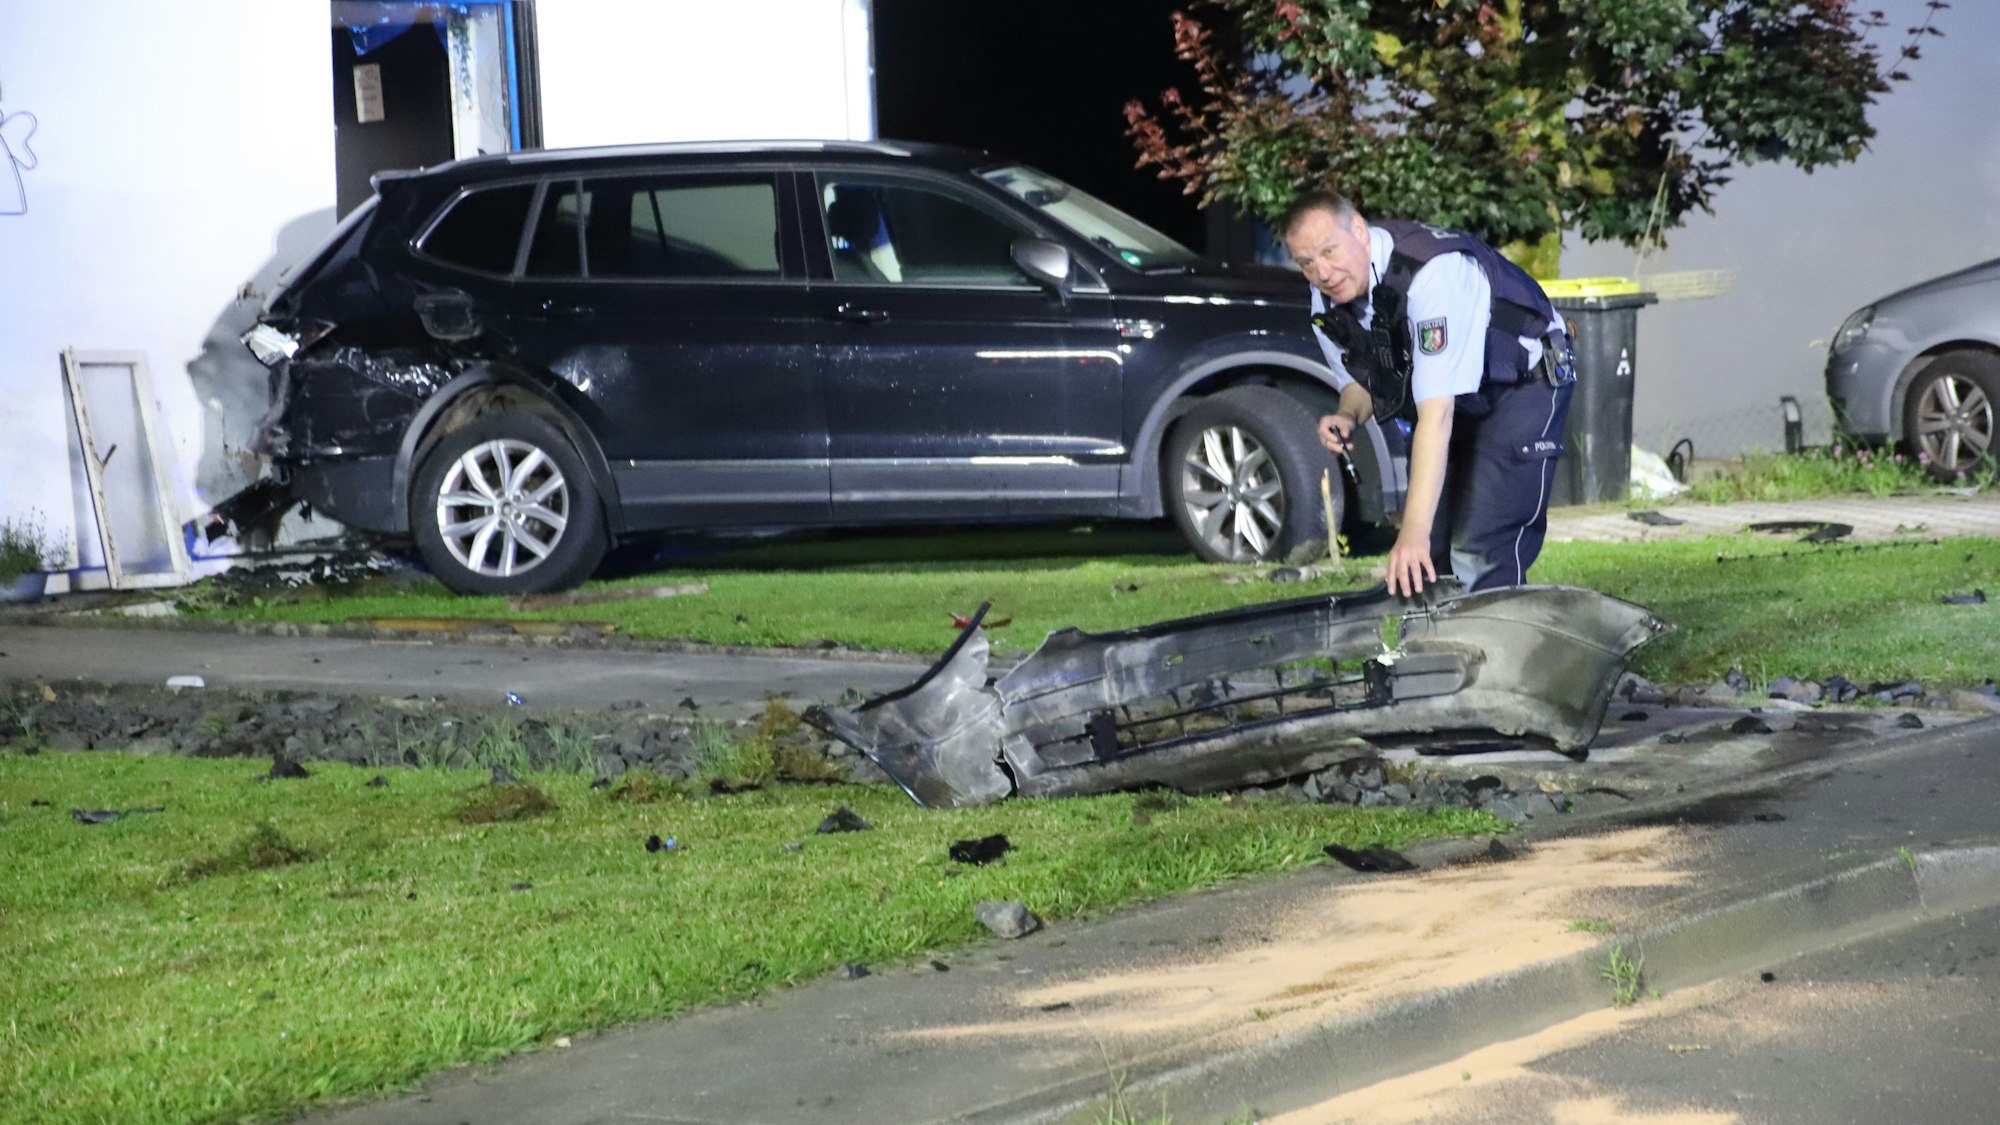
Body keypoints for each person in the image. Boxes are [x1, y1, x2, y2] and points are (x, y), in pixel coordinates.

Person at [1280, 190, 1575, 598]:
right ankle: (1432, 654)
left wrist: (1412, 531)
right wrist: (1348, 414)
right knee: (1431, 558)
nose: (1323, 272)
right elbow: (1362, 381)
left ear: (1361, 232)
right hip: (1450, 399)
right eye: (1306, 263)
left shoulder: (1433, 274)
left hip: (1522, 385)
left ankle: (1494, 653)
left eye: (1329, 251)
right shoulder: (1328, 298)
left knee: (1479, 547)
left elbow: (1437, 416)